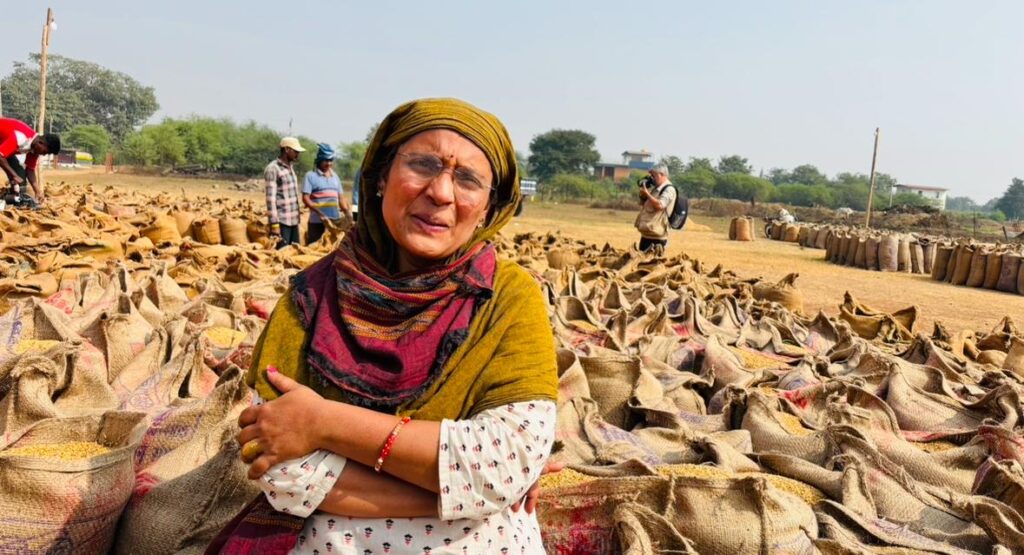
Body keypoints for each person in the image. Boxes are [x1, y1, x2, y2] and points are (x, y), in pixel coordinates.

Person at [208, 98, 558, 555]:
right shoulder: (310, 297)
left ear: (490, 208)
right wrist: (466, 493)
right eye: (423, 165)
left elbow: (502, 465)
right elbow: (280, 470)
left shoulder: (509, 297)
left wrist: (323, 422)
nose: (441, 192)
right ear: (379, 179)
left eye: (467, 179)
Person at [0, 117, 61, 203]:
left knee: (20, 178)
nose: (43, 154)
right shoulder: (21, 137)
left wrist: (37, 191)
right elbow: (0, 157)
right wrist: (13, 175)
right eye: (44, 152)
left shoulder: (34, 149)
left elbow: (30, 170)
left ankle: (11, 200)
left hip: (2, 148)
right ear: (41, 142)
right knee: (16, 175)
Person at [301, 143, 350, 244]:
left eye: (331, 160)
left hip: (334, 222)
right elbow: (305, 198)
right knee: (314, 251)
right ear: (319, 160)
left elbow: (340, 198)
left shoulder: (335, 176)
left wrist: (347, 213)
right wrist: (321, 214)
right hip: (317, 222)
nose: (328, 163)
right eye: (326, 160)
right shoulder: (310, 176)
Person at [265, 137, 305, 248]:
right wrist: (274, 224)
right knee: (282, 255)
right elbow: (270, 199)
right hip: (282, 222)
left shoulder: (290, 168)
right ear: (287, 149)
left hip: (293, 220)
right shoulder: (273, 169)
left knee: (294, 253)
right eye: (295, 151)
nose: (298, 154)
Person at [634, 162, 677, 252]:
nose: (651, 178)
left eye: (653, 175)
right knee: (640, 263)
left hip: (658, 237)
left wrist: (647, 193)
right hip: (646, 234)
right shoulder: (655, 189)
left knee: (653, 264)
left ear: (661, 174)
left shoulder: (669, 189)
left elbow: (660, 205)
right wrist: (643, 195)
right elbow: (643, 204)